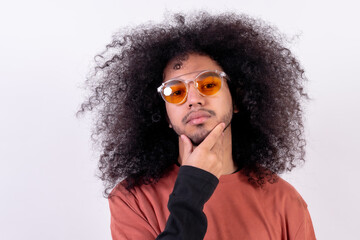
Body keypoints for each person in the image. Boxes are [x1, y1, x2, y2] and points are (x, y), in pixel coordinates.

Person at [78, 11, 316, 239]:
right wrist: (192, 188)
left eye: (209, 84)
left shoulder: (285, 201)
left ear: (237, 99)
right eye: (175, 91)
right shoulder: (134, 198)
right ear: (165, 115)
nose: (193, 99)